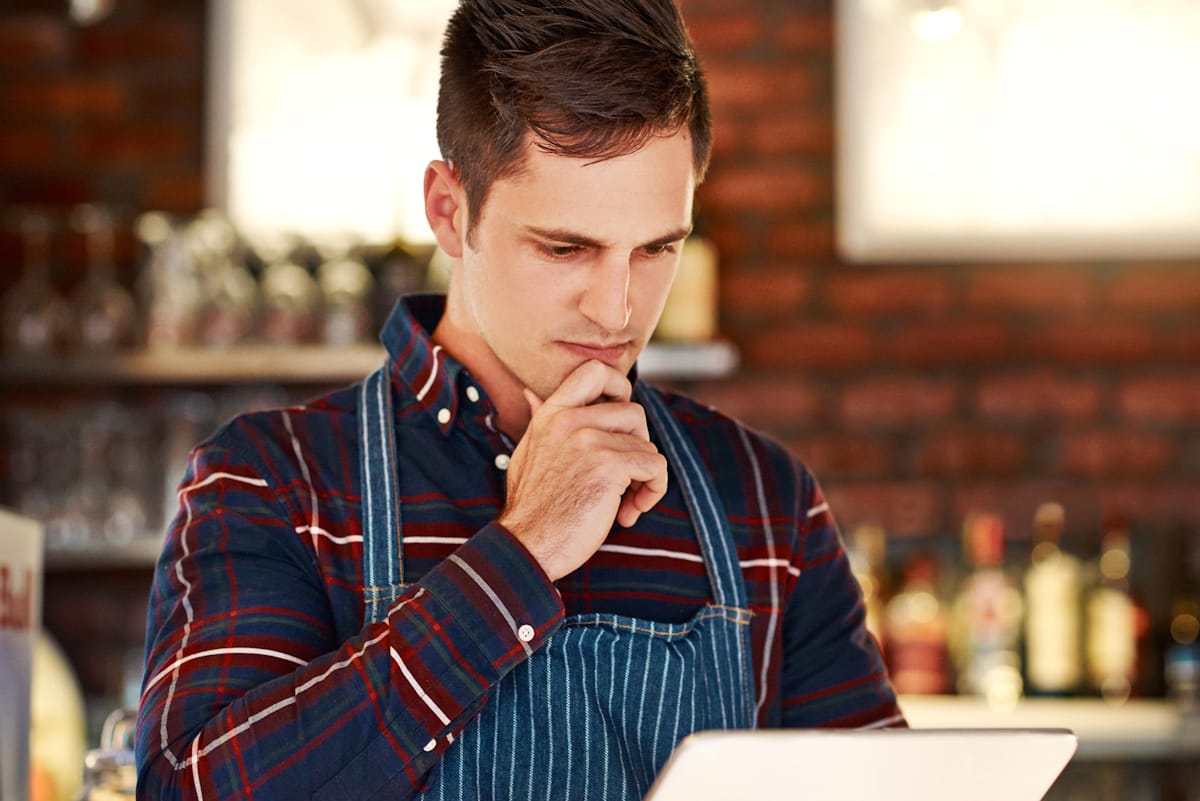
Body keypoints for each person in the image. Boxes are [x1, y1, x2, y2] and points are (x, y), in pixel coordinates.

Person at [134, 1, 904, 799]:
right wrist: (519, 554)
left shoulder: (767, 504)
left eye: (656, 248)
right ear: (449, 209)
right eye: (565, 248)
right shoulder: (271, 481)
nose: (617, 310)